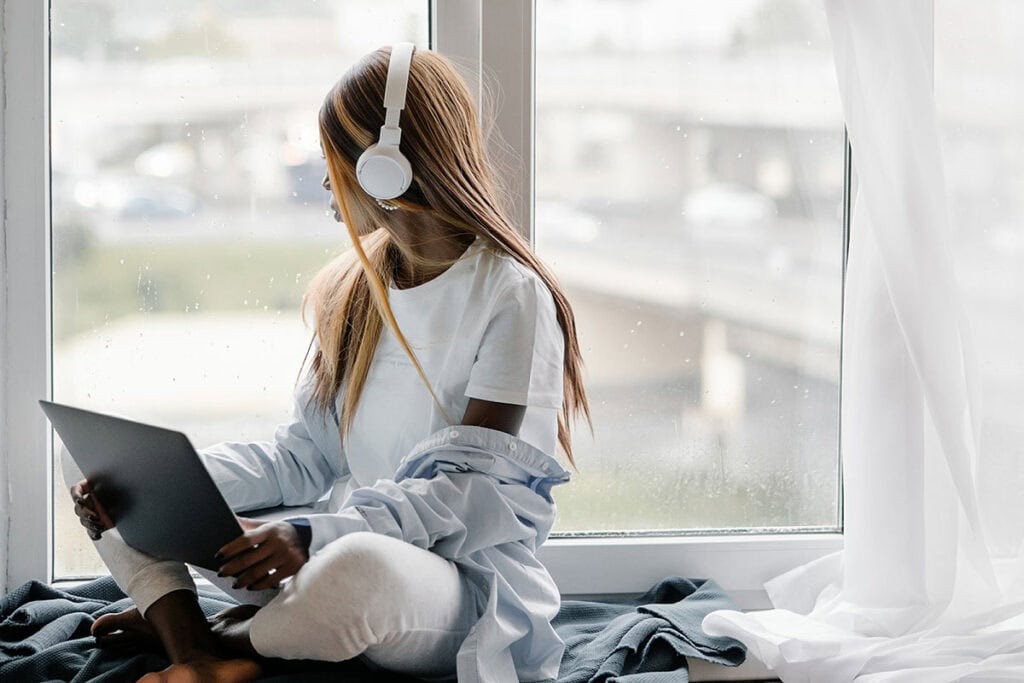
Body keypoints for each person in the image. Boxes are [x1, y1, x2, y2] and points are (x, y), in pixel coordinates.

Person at [67, 43, 590, 683]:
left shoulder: (511, 295)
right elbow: (304, 457)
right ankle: (197, 655)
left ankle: (209, 634)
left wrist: (313, 537)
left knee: (356, 573)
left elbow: (468, 492)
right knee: (105, 472)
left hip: (445, 586)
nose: (324, 181)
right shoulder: (353, 288)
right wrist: (168, 479)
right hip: (329, 545)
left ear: (386, 166)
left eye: (333, 160)